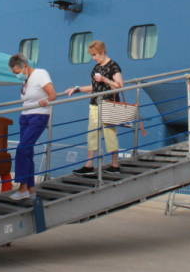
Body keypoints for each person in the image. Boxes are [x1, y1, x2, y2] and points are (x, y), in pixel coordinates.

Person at [64, 40, 124, 173]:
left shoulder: (113, 66)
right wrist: (78, 89)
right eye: (92, 55)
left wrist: (105, 79)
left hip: (109, 104)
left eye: (95, 54)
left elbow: (120, 85)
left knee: (110, 134)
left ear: (102, 52)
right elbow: (94, 87)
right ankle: (89, 165)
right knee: (92, 134)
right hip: (95, 104)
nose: (93, 58)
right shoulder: (96, 67)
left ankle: (115, 165)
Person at [8, 54, 56, 200]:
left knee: (22, 148)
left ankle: (22, 188)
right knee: (27, 151)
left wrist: (45, 101)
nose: (17, 76)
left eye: (17, 72)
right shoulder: (26, 80)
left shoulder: (40, 74)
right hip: (25, 116)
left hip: (38, 115)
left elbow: (53, 94)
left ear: (25, 67)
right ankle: (31, 188)